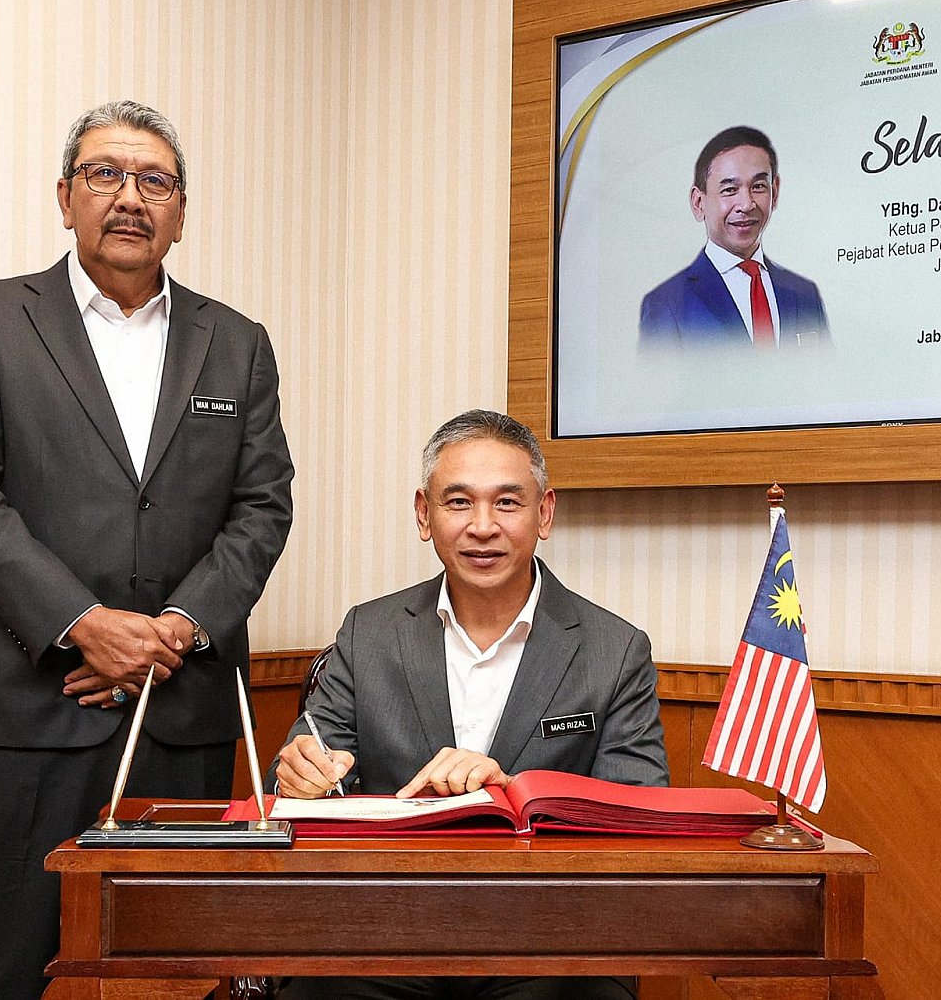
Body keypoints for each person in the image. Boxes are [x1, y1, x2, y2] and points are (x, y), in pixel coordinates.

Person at [0, 100, 294, 999]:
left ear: (181, 212)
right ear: (65, 197)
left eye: (155, 181)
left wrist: (175, 629)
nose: (130, 197)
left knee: (178, 971)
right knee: (2, 969)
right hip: (27, 713)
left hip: (182, 710)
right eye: (105, 174)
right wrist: (84, 623)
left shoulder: (237, 344)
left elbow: (262, 506)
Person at [274, 409, 666, 1000]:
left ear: (545, 513)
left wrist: (511, 792)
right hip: (385, 929)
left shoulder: (614, 650)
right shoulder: (368, 633)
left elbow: (637, 816)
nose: (483, 527)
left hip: (548, 938)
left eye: (507, 503)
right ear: (423, 514)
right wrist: (303, 775)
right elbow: (308, 775)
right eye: (458, 503)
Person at [639, 126, 830, 350]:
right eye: (729, 190)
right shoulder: (667, 303)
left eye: (758, 186)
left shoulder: (805, 293)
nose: (747, 205)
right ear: (698, 202)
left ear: (775, 192)